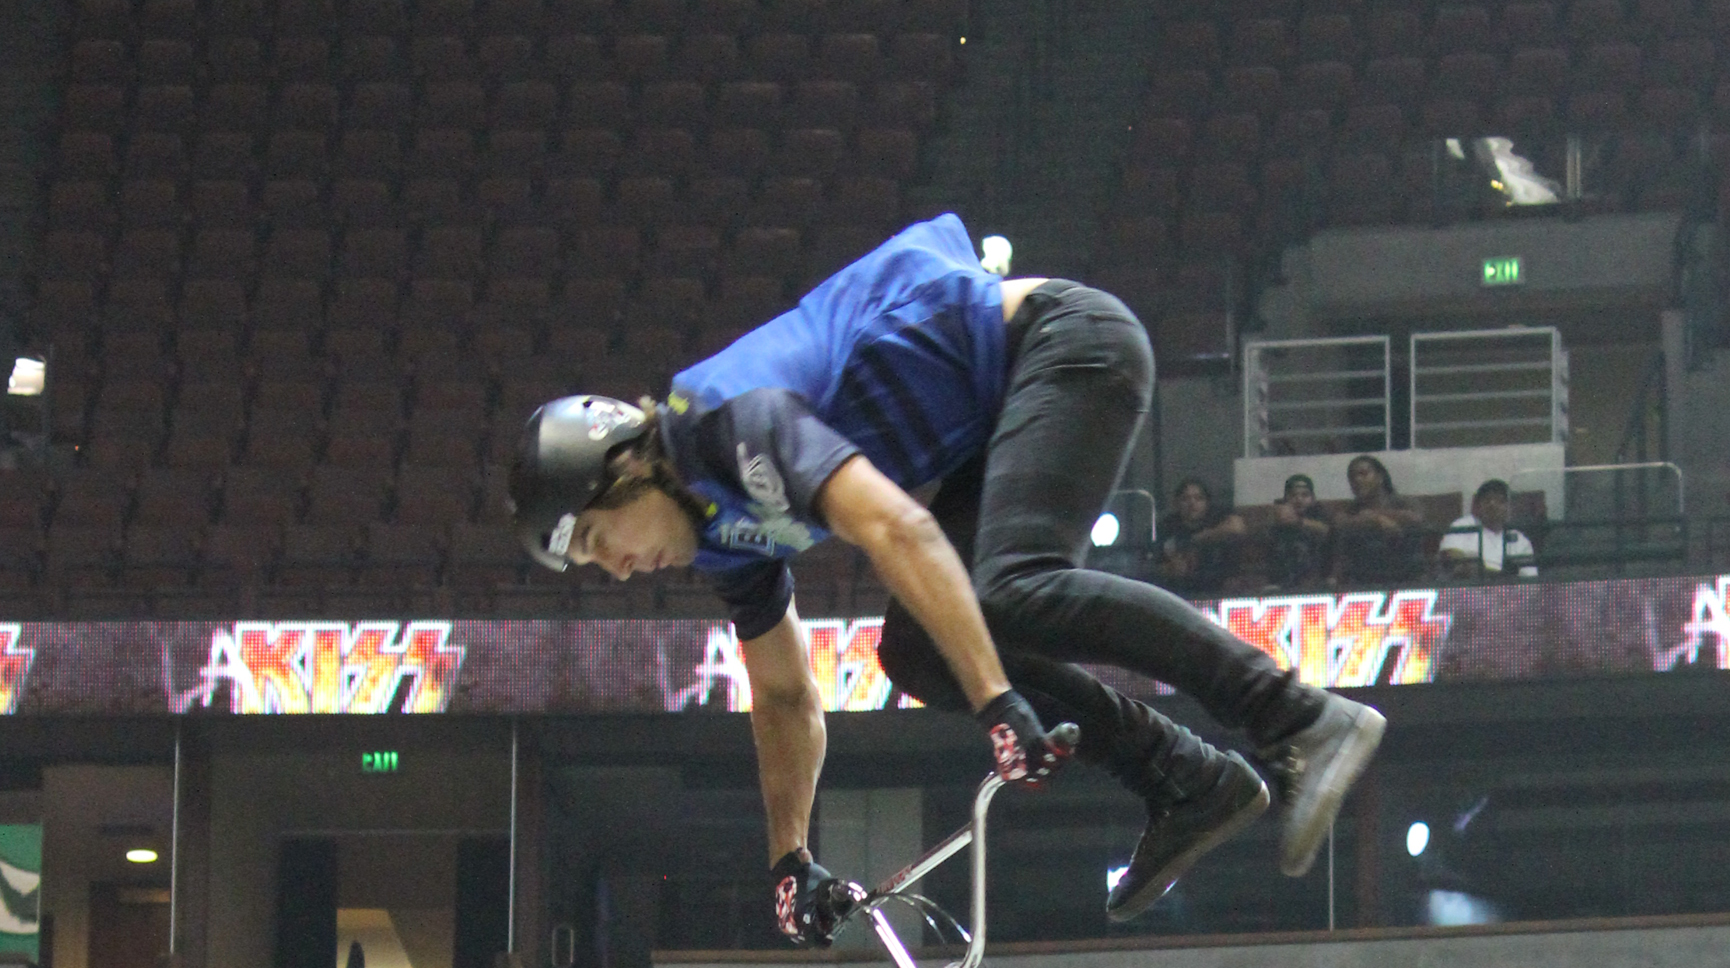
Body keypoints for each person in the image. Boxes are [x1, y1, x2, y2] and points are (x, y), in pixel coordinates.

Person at [512, 219, 1384, 931]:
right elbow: (781, 696)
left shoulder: (729, 421)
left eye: (596, 539)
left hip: (1069, 344)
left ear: (624, 466)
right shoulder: (719, 536)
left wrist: (997, 701)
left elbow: (897, 527)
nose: (617, 569)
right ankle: (1188, 779)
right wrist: (790, 861)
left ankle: (1298, 715)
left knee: (1007, 588)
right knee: (916, 652)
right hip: (998, 415)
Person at [1331, 454, 1430, 588]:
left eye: (1363, 474)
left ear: (1380, 477)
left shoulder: (1404, 502)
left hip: (1406, 576)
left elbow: (1416, 518)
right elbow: (1340, 522)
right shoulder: (1351, 510)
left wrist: (1374, 515)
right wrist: (1377, 520)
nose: (1357, 480)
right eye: (1352, 477)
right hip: (1362, 580)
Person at [1149, 473, 1248, 591]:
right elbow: (1150, 565)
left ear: (1207, 502)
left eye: (1198, 498)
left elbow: (1237, 527)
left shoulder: (1217, 516)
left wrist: (1200, 538)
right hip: (1182, 591)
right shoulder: (1166, 527)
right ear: (1176, 503)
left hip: (1219, 587)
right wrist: (1170, 568)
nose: (1192, 503)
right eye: (1185, 499)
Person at [1438, 476, 1538, 582]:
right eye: (1487, 500)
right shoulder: (1463, 525)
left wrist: (1483, 572)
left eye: (1500, 500)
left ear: (1508, 507)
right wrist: (1502, 577)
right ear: (1478, 505)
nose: (1492, 504)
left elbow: (1530, 580)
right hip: (1468, 589)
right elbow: (1453, 560)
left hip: (1508, 591)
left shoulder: (1519, 539)